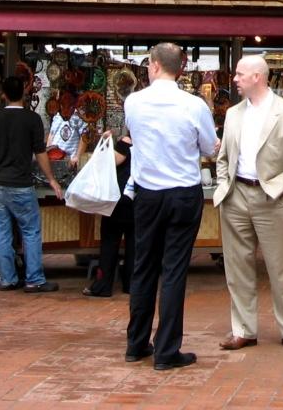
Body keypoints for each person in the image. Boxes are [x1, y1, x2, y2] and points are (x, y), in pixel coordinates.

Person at [124, 42, 218, 370]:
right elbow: (209, 147)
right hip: (182, 191)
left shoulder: (133, 102)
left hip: (148, 193)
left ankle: (136, 343)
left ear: (153, 65)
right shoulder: (194, 105)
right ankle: (166, 350)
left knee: (144, 266)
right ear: (181, 69)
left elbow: (135, 136)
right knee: (174, 270)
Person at [215, 54, 283, 354]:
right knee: (237, 267)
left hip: (270, 196)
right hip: (236, 194)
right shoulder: (233, 114)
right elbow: (223, 157)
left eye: (240, 74)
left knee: (280, 266)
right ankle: (243, 329)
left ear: (257, 76)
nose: (235, 79)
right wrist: (224, 185)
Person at [0, 76, 64, 292]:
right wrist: (52, 180)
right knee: (31, 231)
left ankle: (7, 279)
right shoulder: (32, 119)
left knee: (2, 231)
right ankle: (34, 279)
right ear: (25, 93)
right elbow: (41, 153)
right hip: (21, 184)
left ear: (3, 94)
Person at [83, 132, 134, 297]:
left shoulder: (126, 142)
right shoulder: (149, 142)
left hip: (119, 198)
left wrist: (105, 143)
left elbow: (111, 161)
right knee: (135, 244)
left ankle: (103, 285)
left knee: (110, 243)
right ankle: (132, 284)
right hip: (138, 198)